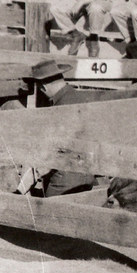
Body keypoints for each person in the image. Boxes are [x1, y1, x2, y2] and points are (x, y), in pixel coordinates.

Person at [19, 59, 96, 196]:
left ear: (43, 87)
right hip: (88, 175)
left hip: (64, 181)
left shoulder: (60, 108)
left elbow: (55, 151)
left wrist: (25, 184)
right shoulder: (78, 98)